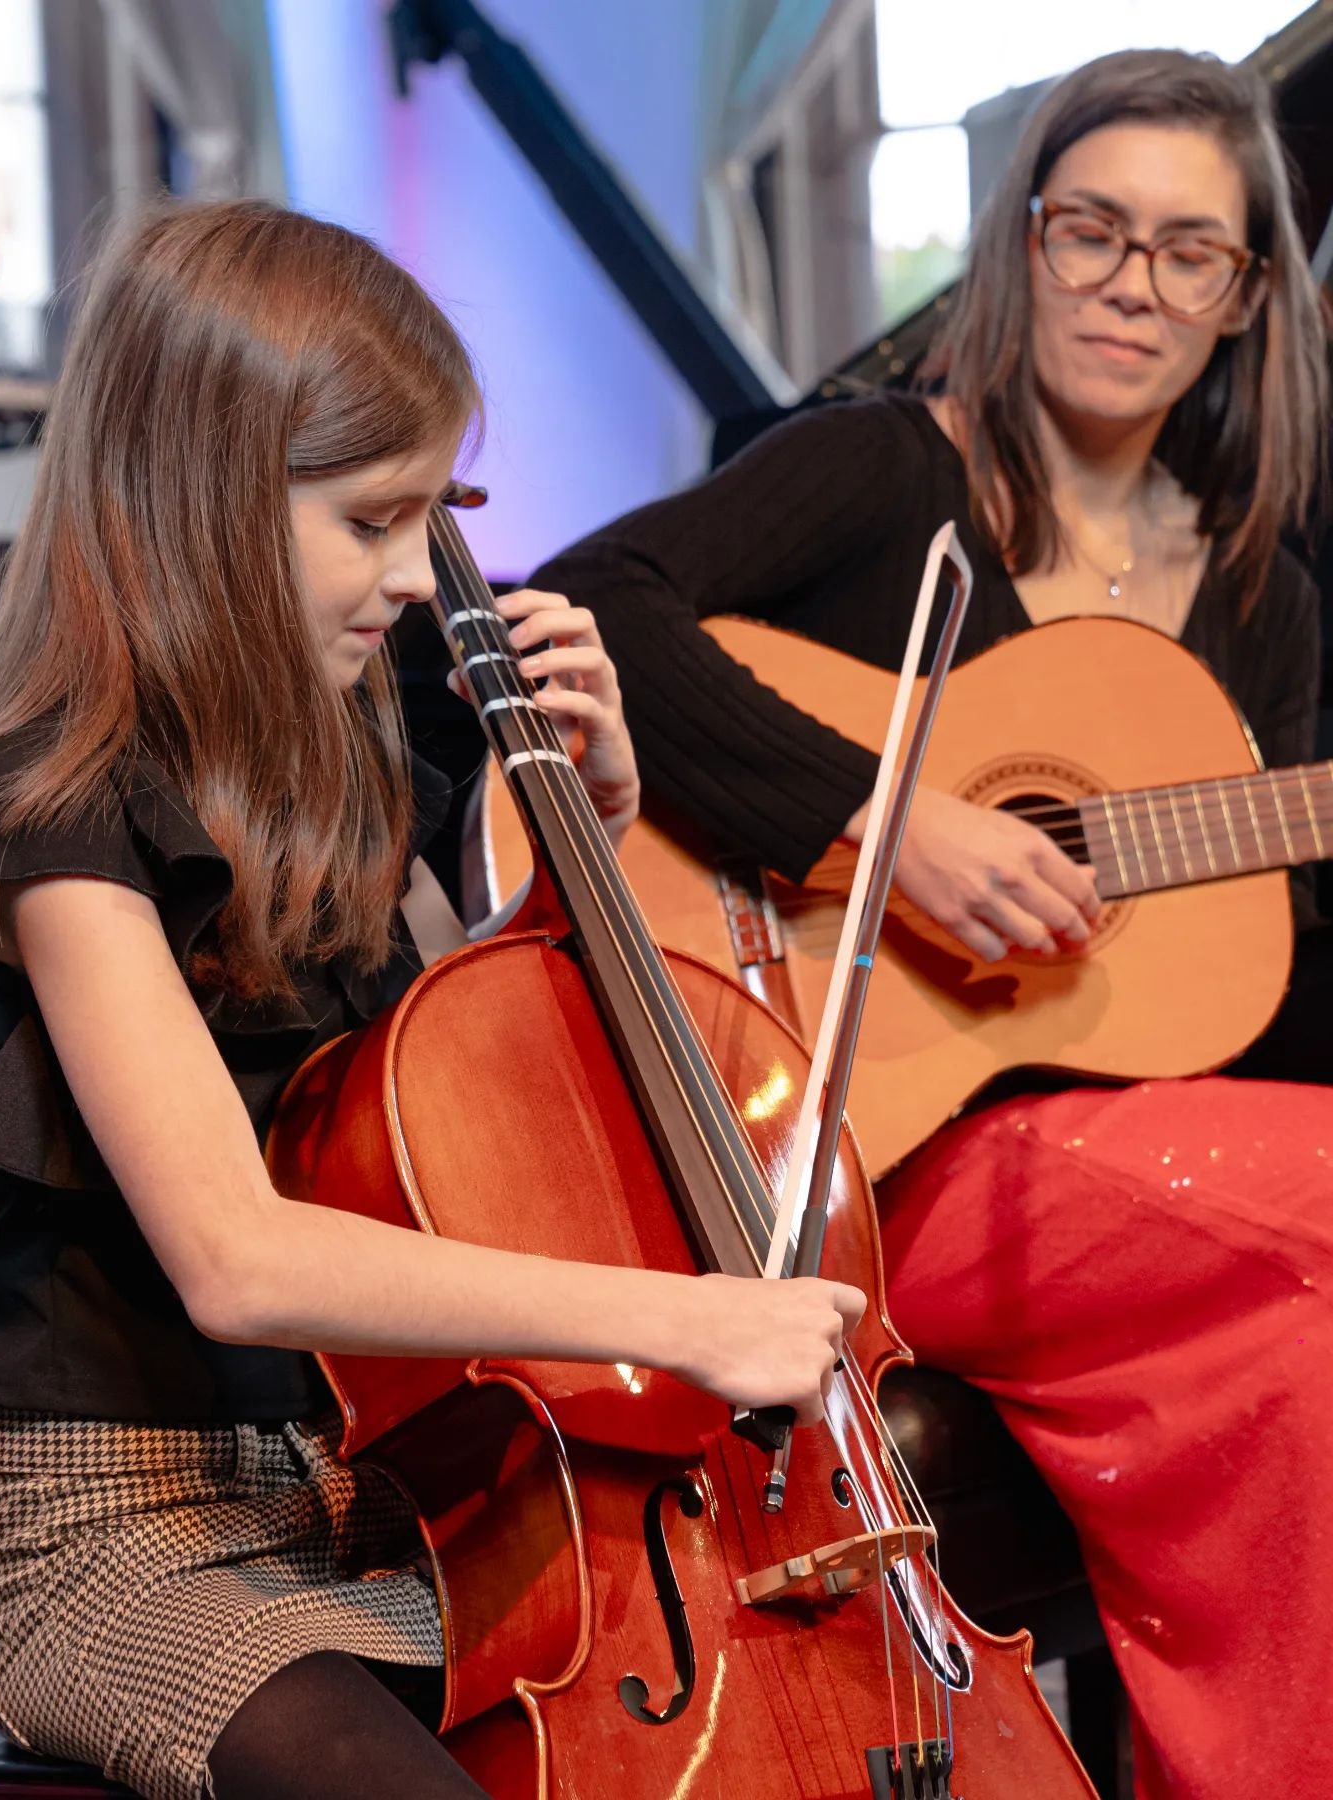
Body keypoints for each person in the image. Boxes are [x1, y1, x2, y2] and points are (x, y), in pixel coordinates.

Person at [0, 200, 864, 1800]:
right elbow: (240, 1259)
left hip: (386, 1497)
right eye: (373, 518)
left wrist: (594, 841)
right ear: (201, 499)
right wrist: (687, 1319)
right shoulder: (44, 813)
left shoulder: (330, 757)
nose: (421, 574)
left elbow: (434, 1092)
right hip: (122, 1545)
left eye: (437, 516)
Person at [530, 49, 1333, 1800]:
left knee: (1306, 1377)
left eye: (1189, 251)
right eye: (1092, 230)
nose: (1134, 283)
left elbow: (1243, 998)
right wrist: (882, 835)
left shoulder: (1268, 595)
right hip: (868, 1143)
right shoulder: (887, 476)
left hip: (1139, 1169)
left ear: (1250, 297)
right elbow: (586, 604)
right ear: (1019, 244)